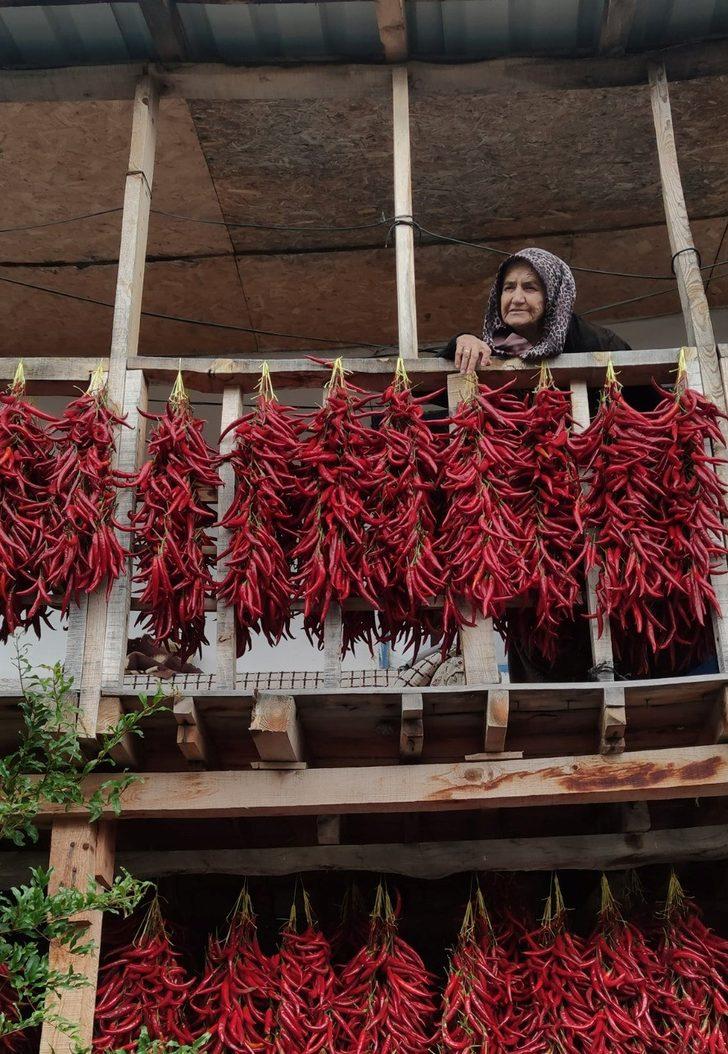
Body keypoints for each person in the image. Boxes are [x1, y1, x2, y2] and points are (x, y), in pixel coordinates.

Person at [442, 247, 630, 373]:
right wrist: (460, 341)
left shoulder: (596, 342)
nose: (516, 299)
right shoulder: (500, 343)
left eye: (530, 287)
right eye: (508, 288)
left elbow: (646, 400)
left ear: (554, 296)